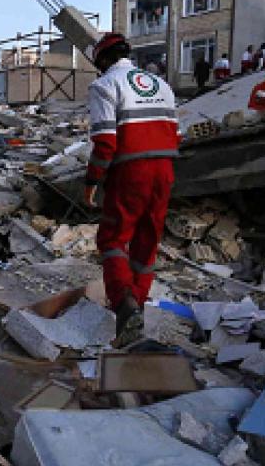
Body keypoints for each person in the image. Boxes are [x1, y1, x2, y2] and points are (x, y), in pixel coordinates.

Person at [83, 32, 179, 342]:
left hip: (130, 170)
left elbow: (106, 142)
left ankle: (123, 304)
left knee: (112, 238)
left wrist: (92, 181)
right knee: (146, 242)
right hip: (164, 169)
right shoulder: (161, 85)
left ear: (103, 61)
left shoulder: (104, 85)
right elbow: (173, 132)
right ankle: (136, 306)